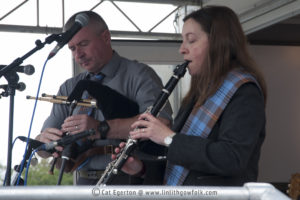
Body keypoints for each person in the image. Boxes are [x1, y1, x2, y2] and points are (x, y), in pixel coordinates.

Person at [115, 5, 267, 186]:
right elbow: (180, 163)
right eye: (182, 41)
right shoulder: (198, 93)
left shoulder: (244, 92)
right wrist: (142, 169)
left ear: (219, 43)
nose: (182, 49)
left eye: (191, 40)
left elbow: (232, 158)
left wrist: (169, 138)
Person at [35, 10, 172, 185]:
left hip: (127, 180)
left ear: (106, 37)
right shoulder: (69, 87)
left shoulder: (139, 75)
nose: (78, 54)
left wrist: (101, 128)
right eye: (72, 48)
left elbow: (162, 123)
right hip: (83, 182)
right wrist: (44, 141)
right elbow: (42, 150)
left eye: (83, 44)